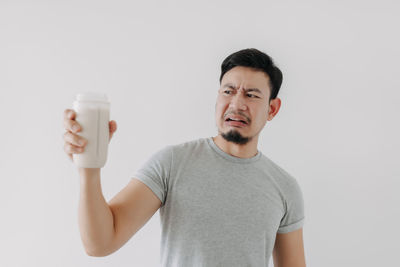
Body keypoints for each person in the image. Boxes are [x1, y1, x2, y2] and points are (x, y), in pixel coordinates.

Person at [63, 48, 306, 267]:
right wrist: (89, 168)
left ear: (272, 109)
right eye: (228, 91)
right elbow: (100, 244)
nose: (237, 103)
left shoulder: (284, 188)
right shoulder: (172, 164)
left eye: (251, 95)